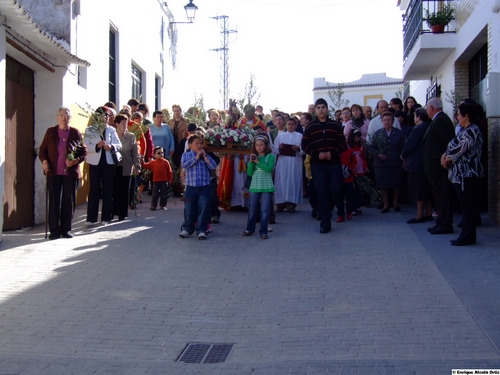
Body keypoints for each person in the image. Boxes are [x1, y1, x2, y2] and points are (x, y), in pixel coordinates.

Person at [39, 106, 88, 239]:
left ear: (70, 118)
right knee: (54, 201)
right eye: (61, 115)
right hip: (53, 172)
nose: (64, 118)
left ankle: (66, 229)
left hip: (70, 174)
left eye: (66, 115)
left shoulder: (75, 133)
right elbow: (42, 150)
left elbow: (84, 152)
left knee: (68, 200)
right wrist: (44, 162)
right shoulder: (51, 132)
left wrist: (74, 161)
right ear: (57, 117)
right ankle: (54, 230)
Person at [301, 98, 347, 234]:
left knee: (336, 190)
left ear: (327, 109)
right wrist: (316, 154)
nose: (321, 110)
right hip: (318, 165)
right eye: (318, 107)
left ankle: (326, 211)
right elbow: (304, 145)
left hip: (333, 163)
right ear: (315, 110)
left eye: (323, 107)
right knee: (322, 192)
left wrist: (332, 153)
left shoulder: (335, 125)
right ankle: (325, 222)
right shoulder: (310, 127)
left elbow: (343, 144)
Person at [441, 103, 484, 246]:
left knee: (468, 207)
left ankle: (468, 236)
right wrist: (444, 156)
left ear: (466, 116)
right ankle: (466, 235)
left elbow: (462, 147)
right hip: (459, 176)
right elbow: (452, 146)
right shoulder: (463, 130)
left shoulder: (473, 130)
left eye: (459, 114)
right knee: (464, 206)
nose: (457, 117)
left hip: (469, 175)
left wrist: (448, 158)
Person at [423, 97, 456, 235]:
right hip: (434, 167)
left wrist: (444, 158)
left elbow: (448, 142)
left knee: (443, 196)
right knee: (439, 196)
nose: (426, 110)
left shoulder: (440, 120)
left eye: (427, 108)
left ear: (432, 108)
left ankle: (445, 224)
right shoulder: (437, 120)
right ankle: (441, 221)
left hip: (439, 167)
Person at [84, 106, 122, 226]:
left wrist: (110, 146)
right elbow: (86, 145)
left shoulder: (111, 130)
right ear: (97, 116)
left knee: (108, 189)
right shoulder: (90, 130)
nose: (106, 118)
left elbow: (119, 145)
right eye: (104, 115)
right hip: (95, 161)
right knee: (94, 189)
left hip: (108, 161)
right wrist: (97, 146)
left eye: (108, 116)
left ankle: (106, 217)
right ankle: (91, 218)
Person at [179, 134, 217, 240]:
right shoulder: (186, 155)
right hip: (191, 186)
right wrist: (196, 158)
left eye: (201, 143)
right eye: (196, 143)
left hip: (204, 186)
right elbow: (185, 165)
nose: (199, 145)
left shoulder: (206, 156)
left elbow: (213, 166)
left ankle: (201, 229)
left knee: (203, 208)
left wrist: (204, 157)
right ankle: (187, 228)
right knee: (189, 208)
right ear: (190, 145)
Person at [401, 108, 433, 224]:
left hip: (416, 163)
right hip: (426, 163)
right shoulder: (428, 127)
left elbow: (409, 145)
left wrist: (403, 155)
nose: (414, 118)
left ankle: (419, 214)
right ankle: (428, 212)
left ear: (418, 117)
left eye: (415, 116)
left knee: (418, 190)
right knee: (427, 189)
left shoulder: (417, 129)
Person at [369, 112, 405, 213]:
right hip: (381, 164)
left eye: (389, 120)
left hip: (395, 162)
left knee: (395, 184)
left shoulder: (399, 133)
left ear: (393, 121)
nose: (387, 122)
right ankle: (386, 205)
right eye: (385, 120)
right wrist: (378, 155)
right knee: (383, 184)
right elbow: (371, 147)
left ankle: (396, 204)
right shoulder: (378, 133)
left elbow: (403, 147)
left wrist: (403, 160)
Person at [242, 135, 276, 239]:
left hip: (266, 187)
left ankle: (263, 231)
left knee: (265, 209)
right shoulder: (253, 157)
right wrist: (251, 163)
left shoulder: (270, 156)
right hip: (254, 187)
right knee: (252, 209)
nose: (259, 147)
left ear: (266, 146)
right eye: (257, 145)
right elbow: (250, 173)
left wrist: (258, 162)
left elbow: (269, 169)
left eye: (261, 145)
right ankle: (250, 228)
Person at [273, 117, 303, 213]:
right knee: (281, 180)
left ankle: (291, 204)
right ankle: (280, 203)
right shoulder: (281, 136)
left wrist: (298, 149)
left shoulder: (300, 136)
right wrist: (279, 147)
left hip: (295, 162)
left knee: (293, 180)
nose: (290, 126)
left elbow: (304, 148)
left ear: (296, 125)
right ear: (286, 125)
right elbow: (274, 147)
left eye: (292, 124)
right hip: (283, 162)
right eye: (289, 124)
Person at [113, 114, 140, 221]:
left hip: (126, 166)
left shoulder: (130, 136)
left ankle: (122, 213)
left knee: (124, 190)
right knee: (114, 190)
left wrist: (137, 166)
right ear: (117, 124)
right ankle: (113, 211)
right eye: (123, 123)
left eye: (126, 123)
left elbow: (135, 153)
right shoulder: (112, 135)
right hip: (114, 167)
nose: (126, 125)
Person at [141, 146, 174, 211]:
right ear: (154, 155)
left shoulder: (166, 162)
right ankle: (153, 205)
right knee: (155, 194)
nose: (161, 154)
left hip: (164, 181)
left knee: (164, 194)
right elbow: (146, 166)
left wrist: (170, 179)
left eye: (162, 153)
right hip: (156, 181)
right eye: (159, 153)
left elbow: (170, 171)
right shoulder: (153, 162)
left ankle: (163, 205)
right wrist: (142, 162)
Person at [168, 104, 188, 196]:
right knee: (174, 165)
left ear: (181, 111)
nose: (176, 112)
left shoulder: (186, 121)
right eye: (175, 110)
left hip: (182, 144)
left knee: (181, 164)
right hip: (173, 145)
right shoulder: (170, 122)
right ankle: (173, 186)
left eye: (178, 110)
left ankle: (181, 187)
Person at [347, 129, 368, 215]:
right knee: (352, 190)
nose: (358, 139)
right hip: (352, 171)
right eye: (356, 137)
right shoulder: (348, 147)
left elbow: (363, 158)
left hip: (360, 171)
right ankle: (352, 207)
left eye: (359, 137)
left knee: (359, 190)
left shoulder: (361, 147)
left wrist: (365, 167)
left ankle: (358, 206)